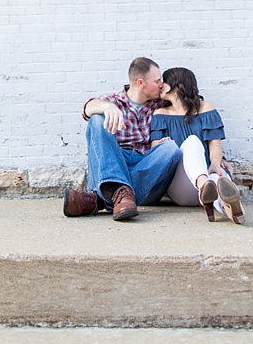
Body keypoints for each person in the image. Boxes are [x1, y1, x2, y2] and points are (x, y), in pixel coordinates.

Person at [63, 57, 183, 221]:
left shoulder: (160, 105)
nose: (161, 85)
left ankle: (100, 199)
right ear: (140, 83)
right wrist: (107, 107)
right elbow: (87, 108)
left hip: (145, 168)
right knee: (97, 119)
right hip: (113, 161)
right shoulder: (113, 101)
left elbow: (191, 111)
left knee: (171, 148)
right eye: (157, 81)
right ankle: (120, 193)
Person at [151, 67, 245, 224]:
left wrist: (216, 165)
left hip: (208, 175)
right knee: (192, 141)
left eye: (163, 82)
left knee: (218, 178)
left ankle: (232, 209)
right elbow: (156, 150)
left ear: (176, 84)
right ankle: (204, 186)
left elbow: (215, 146)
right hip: (182, 185)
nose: (160, 85)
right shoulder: (161, 114)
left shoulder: (206, 108)